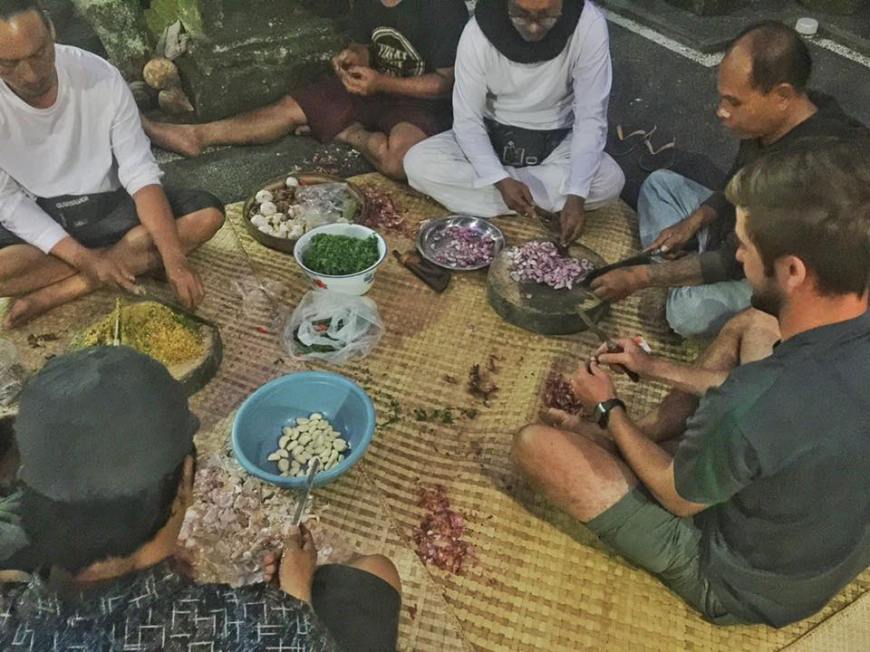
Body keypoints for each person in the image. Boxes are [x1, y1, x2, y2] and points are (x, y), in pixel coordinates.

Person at [512, 137, 870, 628]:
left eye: (744, 246)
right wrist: (654, 367)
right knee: (751, 322)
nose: (737, 257)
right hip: (832, 544)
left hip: (743, 583)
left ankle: (626, 436)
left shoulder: (757, 399)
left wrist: (608, 409)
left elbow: (677, 495)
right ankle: (644, 435)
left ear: (792, 270)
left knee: (536, 446)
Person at [0, 346, 403, 651]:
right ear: (185, 482)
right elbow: (294, 635)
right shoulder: (256, 625)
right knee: (377, 570)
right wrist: (294, 593)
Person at [589, 21, 866, 337]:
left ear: (782, 95)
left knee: (687, 314)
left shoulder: (808, 170)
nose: (721, 111)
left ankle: (690, 289)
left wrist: (640, 278)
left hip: (771, 273)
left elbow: (731, 261)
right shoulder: (779, 117)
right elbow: (734, 182)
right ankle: (680, 272)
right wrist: (692, 222)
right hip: (742, 234)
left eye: (734, 102)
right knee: (659, 184)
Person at [0, 1, 224, 328]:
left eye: (39, 54)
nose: (31, 75)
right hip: (42, 214)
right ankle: (112, 262)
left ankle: (60, 291)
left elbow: (139, 172)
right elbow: (8, 202)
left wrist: (175, 262)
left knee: (206, 216)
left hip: (110, 208)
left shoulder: (98, 77)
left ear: (52, 32)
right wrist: (82, 257)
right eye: (9, 64)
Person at [144, 0, 470, 180]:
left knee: (398, 162)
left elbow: (447, 83)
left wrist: (383, 83)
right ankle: (197, 136)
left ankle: (348, 133)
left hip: (415, 101)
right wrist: (355, 56)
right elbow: (362, 43)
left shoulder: (441, 7)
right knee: (286, 109)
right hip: (371, 87)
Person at [404, 0, 625, 246]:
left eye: (547, 16)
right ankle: (529, 196)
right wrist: (500, 179)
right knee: (418, 163)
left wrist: (576, 195)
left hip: (556, 140)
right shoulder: (477, 34)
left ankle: (500, 198)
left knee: (610, 180)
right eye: (521, 15)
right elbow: (467, 121)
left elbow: (590, 118)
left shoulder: (589, 25)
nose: (533, 28)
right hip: (492, 134)